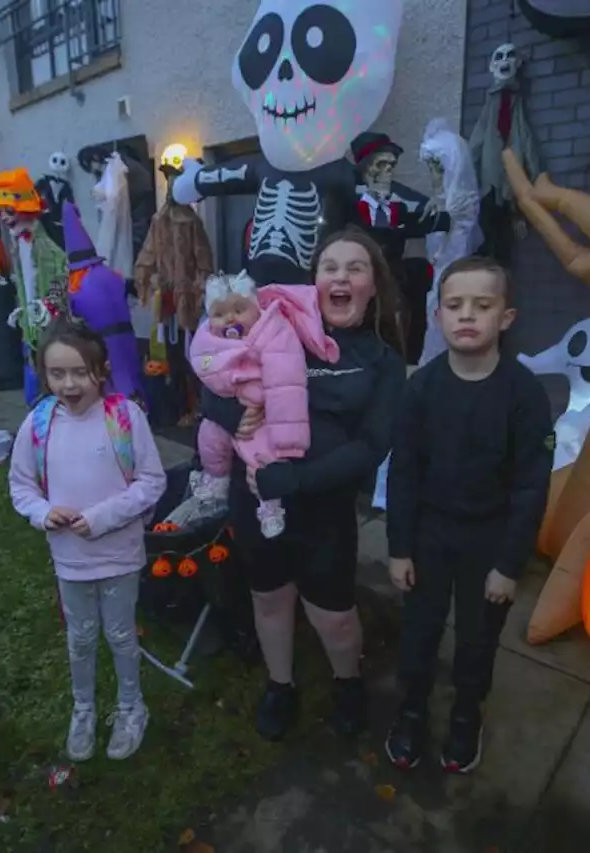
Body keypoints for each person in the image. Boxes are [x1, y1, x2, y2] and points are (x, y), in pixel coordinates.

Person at [202, 226, 406, 741]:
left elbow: (371, 447)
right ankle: (280, 684)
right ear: (312, 282)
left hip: (324, 510)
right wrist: (227, 412)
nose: (340, 277)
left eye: (354, 268)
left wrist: (298, 479)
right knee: (269, 598)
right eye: (329, 267)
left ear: (373, 284)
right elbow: (208, 368)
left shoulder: (382, 361)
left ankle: (348, 681)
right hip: (256, 497)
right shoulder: (278, 326)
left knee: (333, 614)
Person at [383, 256, 554, 773]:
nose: (467, 316)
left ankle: (464, 716)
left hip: (490, 536)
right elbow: (404, 472)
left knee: (478, 641)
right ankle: (411, 712)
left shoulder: (524, 395)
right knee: (419, 633)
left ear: (506, 317)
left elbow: (530, 486)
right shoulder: (422, 389)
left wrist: (509, 564)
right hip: (431, 533)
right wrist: (399, 547)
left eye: (482, 305)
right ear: (438, 316)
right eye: (455, 305)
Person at [8, 321, 167, 761]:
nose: (68, 384)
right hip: (70, 560)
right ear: (44, 374)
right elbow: (21, 485)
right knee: (79, 638)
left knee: (119, 633)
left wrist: (98, 518)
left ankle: (131, 706)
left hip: (118, 555)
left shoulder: (125, 418)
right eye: (56, 374)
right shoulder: (38, 424)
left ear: (103, 370)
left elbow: (151, 482)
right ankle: (83, 708)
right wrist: (43, 513)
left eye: (79, 372)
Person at [189, 271, 340, 538]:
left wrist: (288, 440)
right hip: (233, 402)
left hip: (265, 406)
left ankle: (270, 507)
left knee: (263, 456)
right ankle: (215, 479)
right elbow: (206, 369)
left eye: (239, 309)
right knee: (209, 437)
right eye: (220, 314)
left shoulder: (273, 330)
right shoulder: (210, 338)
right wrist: (225, 398)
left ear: (256, 307)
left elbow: (286, 384)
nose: (231, 319)